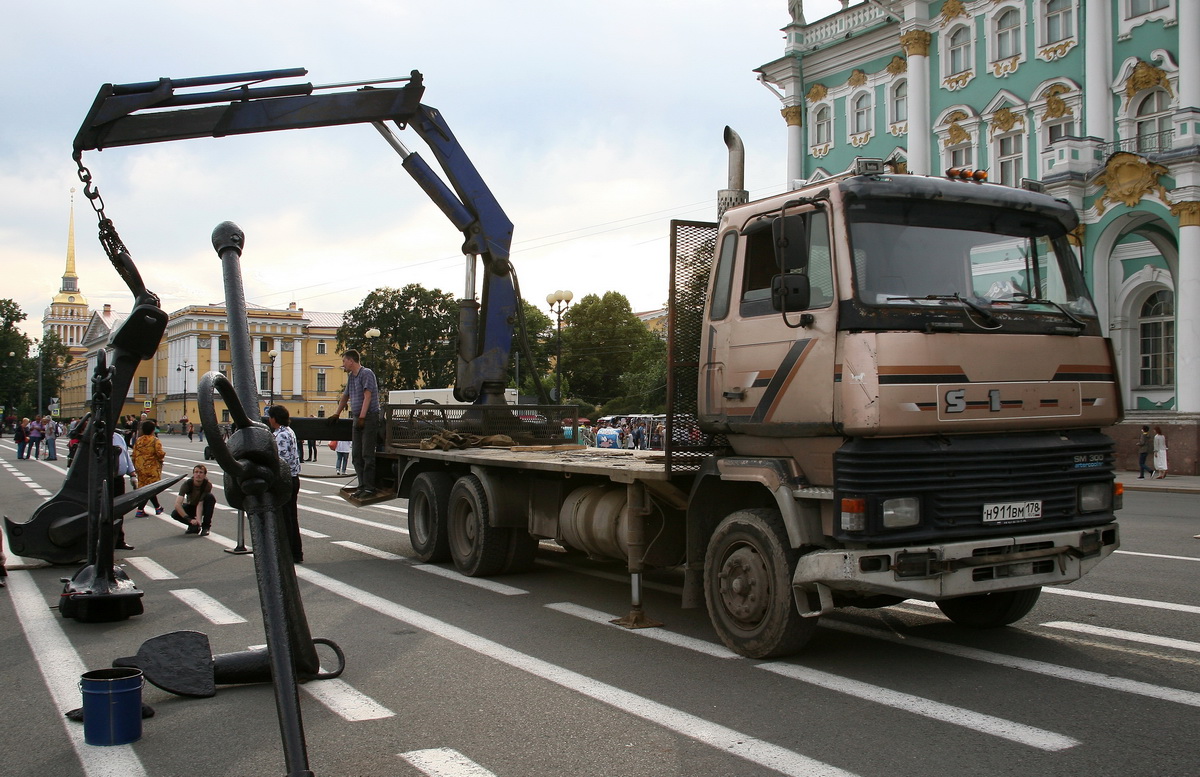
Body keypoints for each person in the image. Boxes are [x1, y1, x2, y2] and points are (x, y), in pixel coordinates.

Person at [330, 349, 380, 499]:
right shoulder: (352, 377)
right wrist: (336, 414)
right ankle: (362, 485)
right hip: (358, 417)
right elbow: (346, 396)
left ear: (351, 361)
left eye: (344, 361)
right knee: (356, 454)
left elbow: (368, 396)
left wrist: (363, 417)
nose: (343, 364)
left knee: (367, 454)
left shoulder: (367, 373)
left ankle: (370, 488)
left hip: (369, 417)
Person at [268, 405, 304, 562]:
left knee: (285, 518)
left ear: (275, 418)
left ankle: (289, 552)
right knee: (291, 517)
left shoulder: (280, 435)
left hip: (285, 479)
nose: (269, 420)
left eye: (270, 417)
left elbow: (281, 460)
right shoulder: (289, 431)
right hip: (293, 478)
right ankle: (295, 552)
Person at [170, 465, 217, 536]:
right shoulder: (187, 484)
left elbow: (200, 503)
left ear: (204, 475)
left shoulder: (207, 485)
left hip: (202, 507)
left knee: (210, 497)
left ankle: (206, 527)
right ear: (193, 474)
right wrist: (189, 519)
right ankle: (193, 526)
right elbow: (178, 504)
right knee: (175, 514)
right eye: (196, 472)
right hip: (191, 506)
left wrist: (199, 521)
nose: (198, 474)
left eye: (201, 472)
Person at [132, 419, 166, 516]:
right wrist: (162, 455)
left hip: (140, 468)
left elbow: (134, 454)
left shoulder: (138, 440)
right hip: (152, 468)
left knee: (146, 489)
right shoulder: (155, 440)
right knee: (150, 489)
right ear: (153, 430)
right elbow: (160, 454)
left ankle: (157, 507)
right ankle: (140, 510)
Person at [112, 430, 136, 550]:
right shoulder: (96, 437)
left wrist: (132, 474)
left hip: (118, 480)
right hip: (104, 479)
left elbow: (126, 455)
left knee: (119, 511)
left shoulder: (118, 437)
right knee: (105, 511)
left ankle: (119, 540)